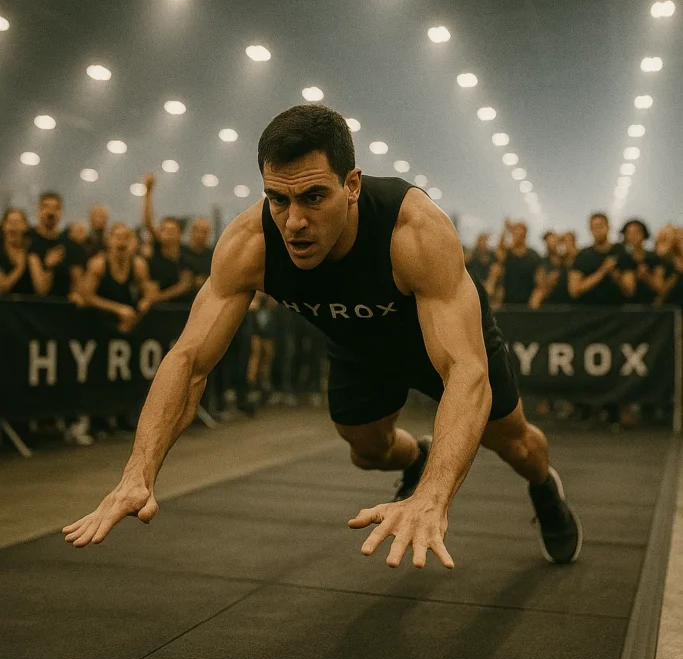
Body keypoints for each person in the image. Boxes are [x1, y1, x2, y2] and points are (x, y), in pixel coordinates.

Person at [63, 104, 582, 569]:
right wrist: (138, 471)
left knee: (515, 445)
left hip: (442, 345)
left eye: (314, 197)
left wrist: (432, 498)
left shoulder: (413, 230)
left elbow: (466, 371)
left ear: (351, 184)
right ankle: (416, 456)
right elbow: (189, 360)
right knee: (368, 451)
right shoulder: (250, 243)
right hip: (360, 350)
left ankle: (545, 490)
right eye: (278, 199)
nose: (294, 222)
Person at [81, 222, 153, 332]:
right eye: (118, 237)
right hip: (99, 321)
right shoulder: (98, 264)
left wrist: (145, 303)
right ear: (109, 241)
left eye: (126, 238)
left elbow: (149, 292)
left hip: (129, 321)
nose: (122, 242)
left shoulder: (139, 265)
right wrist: (117, 309)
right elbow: (87, 296)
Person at [140, 174, 193, 305]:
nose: (167, 234)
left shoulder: (186, 255)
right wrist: (148, 193)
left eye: (171, 231)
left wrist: (157, 298)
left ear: (179, 234)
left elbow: (184, 285)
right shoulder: (154, 253)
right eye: (163, 230)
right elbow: (148, 222)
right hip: (156, 310)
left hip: (181, 308)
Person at [27, 192, 87, 302]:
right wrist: (49, 266)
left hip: (62, 310)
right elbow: (41, 290)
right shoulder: (28, 240)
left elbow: (78, 283)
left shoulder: (71, 245)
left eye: (56, 208)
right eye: (46, 207)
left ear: (61, 213)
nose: (51, 212)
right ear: (38, 211)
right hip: (28, 310)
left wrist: (76, 294)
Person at [568, 212, 636, 305]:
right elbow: (574, 291)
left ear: (608, 227)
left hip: (618, 313)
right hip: (589, 312)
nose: (598, 230)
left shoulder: (621, 252)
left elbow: (630, 290)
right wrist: (602, 271)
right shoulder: (583, 256)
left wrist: (616, 276)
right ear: (590, 230)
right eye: (594, 227)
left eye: (601, 226)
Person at [487, 220, 541, 306]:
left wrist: (536, 299)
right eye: (515, 234)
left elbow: (539, 280)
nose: (517, 237)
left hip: (528, 304)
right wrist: (505, 230)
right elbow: (499, 251)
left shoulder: (533, 256)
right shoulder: (507, 254)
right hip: (507, 302)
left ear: (525, 235)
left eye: (520, 234)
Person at [0, 208, 51, 296]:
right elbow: (2, 288)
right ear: (3, 226)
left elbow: (42, 290)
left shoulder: (31, 253)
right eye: (10, 222)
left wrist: (47, 266)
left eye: (18, 222)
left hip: (28, 306)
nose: (14, 226)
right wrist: (19, 268)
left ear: (25, 227)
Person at [620, 219, 662, 305]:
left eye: (636, 232)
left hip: (652, 308)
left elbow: (659, 287)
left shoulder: (654, 257)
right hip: (628, 308)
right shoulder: (623, 259)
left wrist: (647, 277)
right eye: (629, 233)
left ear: (644, 234)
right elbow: (629, 290)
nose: (633, 236)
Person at [182, 217, 214, 296]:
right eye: (199, 231)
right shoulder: (181, 252)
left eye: (205, 232)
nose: (202, 235)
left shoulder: (213, 255)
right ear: (192, 232)